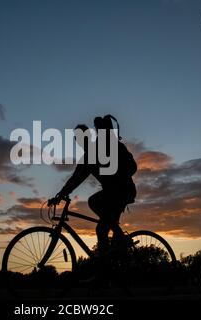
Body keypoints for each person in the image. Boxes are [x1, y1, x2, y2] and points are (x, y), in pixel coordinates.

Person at [48, 115, 137, 280]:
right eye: (77, 139)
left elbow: (79, 178)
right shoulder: (88, 156)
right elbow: (75, 178)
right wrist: (60, 194)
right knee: (101, 229)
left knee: (94, 203)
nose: (80, 141)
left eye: (82, 137)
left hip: (122, 191)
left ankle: (119, 239)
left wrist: (63, 194)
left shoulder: (102, 149)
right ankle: (106, 273)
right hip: (113, 194)